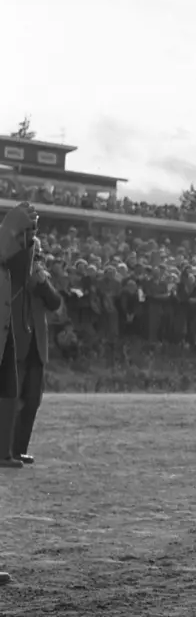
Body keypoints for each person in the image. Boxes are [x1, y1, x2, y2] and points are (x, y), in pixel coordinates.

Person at [7, 234, 64, 464]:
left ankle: (18, 449)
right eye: (34, 254)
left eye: (38, 254)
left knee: (32, 400)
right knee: (10, 399)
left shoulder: (42, 277)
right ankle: (5, 450)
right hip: (14, 343)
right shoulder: (9, 271)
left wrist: (43, 282)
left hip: (36, 345)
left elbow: (55, 302)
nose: (37, 258)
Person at [0, 201, 40, 468]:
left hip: (5, 323)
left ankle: (4, 453)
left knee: (9, 388)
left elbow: (22, 274)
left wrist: (28, 235)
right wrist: (12, 224)